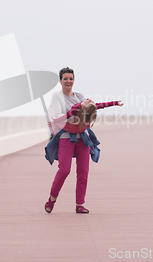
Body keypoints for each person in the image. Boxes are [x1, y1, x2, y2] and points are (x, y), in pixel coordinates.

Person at [44, 67, 123, 214]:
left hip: (83, 136)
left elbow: (94, 107)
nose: (69, 81)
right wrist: (78, 107)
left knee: (83, 172)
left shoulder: (79, 96)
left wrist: (114, 103)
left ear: (74, 80)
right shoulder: (57, 96)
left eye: (71, 78)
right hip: (66, 136)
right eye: (65, 79)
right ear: (60, 81)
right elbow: (60, 117)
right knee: (64, 170)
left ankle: (79, 204)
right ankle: (51, 200)